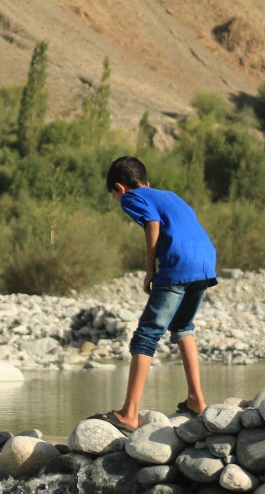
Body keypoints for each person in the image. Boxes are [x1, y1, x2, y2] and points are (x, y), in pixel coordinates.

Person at [95, 156, 217, 435]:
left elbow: (152, 224)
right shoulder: (168, 195)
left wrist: (150, 269)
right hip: (205, 262)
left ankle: (129, 414)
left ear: (119, 188)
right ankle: (197, 400)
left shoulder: (131, 197)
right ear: (147, 182)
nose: (118, 202)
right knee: (183, 327)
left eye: (114, 196)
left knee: (146, 335)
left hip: (178, 264)